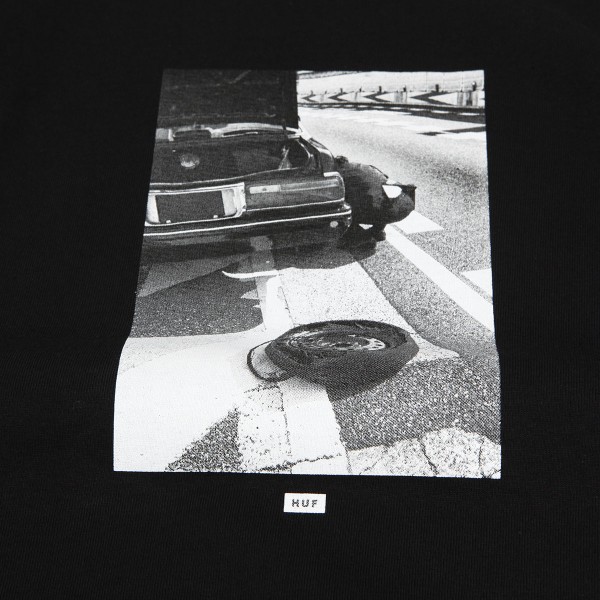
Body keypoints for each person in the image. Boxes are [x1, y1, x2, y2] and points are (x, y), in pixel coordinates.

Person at [333, 155, 414, 249]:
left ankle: (360, 237)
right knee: (380, 196)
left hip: (383, 210)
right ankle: (378, 231)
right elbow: (385, 180)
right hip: (405, 203)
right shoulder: (366, 167)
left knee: (343, 207)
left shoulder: (338, 175)